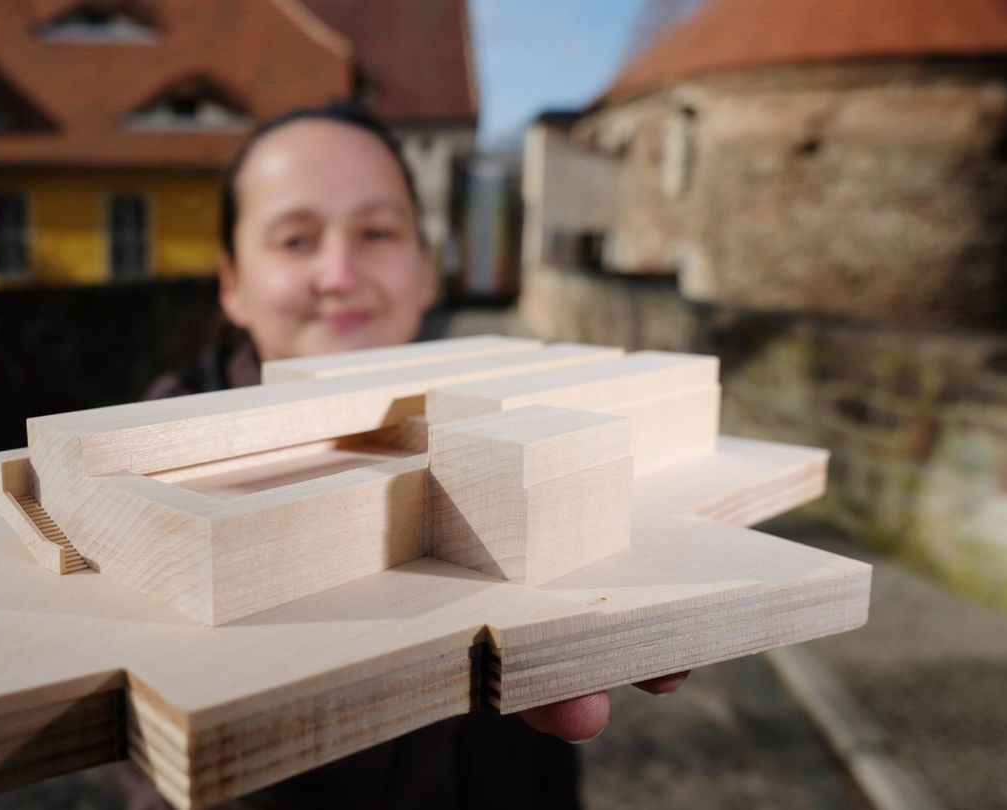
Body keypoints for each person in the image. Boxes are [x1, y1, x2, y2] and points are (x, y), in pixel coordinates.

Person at [128, 103, 687, 808]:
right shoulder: (153, 467)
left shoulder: (514, 418)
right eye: (296, 239)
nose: (338, 272)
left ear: (427, 272)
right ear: (232, 283)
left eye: (378, 232)